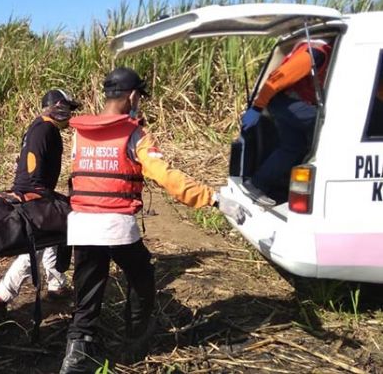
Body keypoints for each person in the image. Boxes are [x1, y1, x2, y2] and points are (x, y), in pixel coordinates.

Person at [58, 67, 247, 373]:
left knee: (88, 289)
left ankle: (76, 356)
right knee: (142, 276)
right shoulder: (136, 135)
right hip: (116, 225)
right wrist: (212, 198)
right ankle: (135, 338)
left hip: (82, 223)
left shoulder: (81, 133)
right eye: (139, 98)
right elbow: (165, 176)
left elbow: (78, 176)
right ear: (132, 96)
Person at [0, 89, 79, 321]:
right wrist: (39, 197)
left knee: (55, 235)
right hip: (33, 196)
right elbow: (32, 167)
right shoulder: (44, 129)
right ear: (56, 105)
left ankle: (56, 284)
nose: (70, 114)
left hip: (35, 193)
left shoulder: (44, 128)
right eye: (67, 107)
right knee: (35, 247)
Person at [240, 39, 332, 206]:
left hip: (286, 102)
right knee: (331, 125)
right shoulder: (316, 52)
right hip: (286, 102)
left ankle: (257, 184)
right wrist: (257, 108)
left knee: (292, 147)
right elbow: (276, 79)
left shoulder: (321, 50)